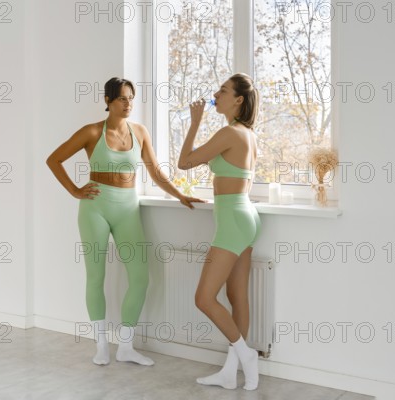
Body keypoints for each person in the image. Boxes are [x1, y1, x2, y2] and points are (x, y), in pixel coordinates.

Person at [47, 77, 203, 367]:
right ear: (107, 101)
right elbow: (53, 159)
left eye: (131, 97)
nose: (128, 103)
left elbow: (156, 173)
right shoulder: (92, 132)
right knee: (96, 276)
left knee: (141, 277)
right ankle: (102, 346)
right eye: (121, 98)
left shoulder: (140, 132)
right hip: (95, 208)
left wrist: (181, 195)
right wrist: (75, 190)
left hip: (127, 208)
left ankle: (126, 346)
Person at [178, 73, 261, 390]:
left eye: (223, 90)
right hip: (245, 216)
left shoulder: (229, 132)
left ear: (238, 100)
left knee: (204, 298)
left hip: (233, 221)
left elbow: (185, 162)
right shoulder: (248, 135)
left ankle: (246, 355)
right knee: (236, 296)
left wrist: (194, 121)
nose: (216, 93)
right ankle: (231, 371)